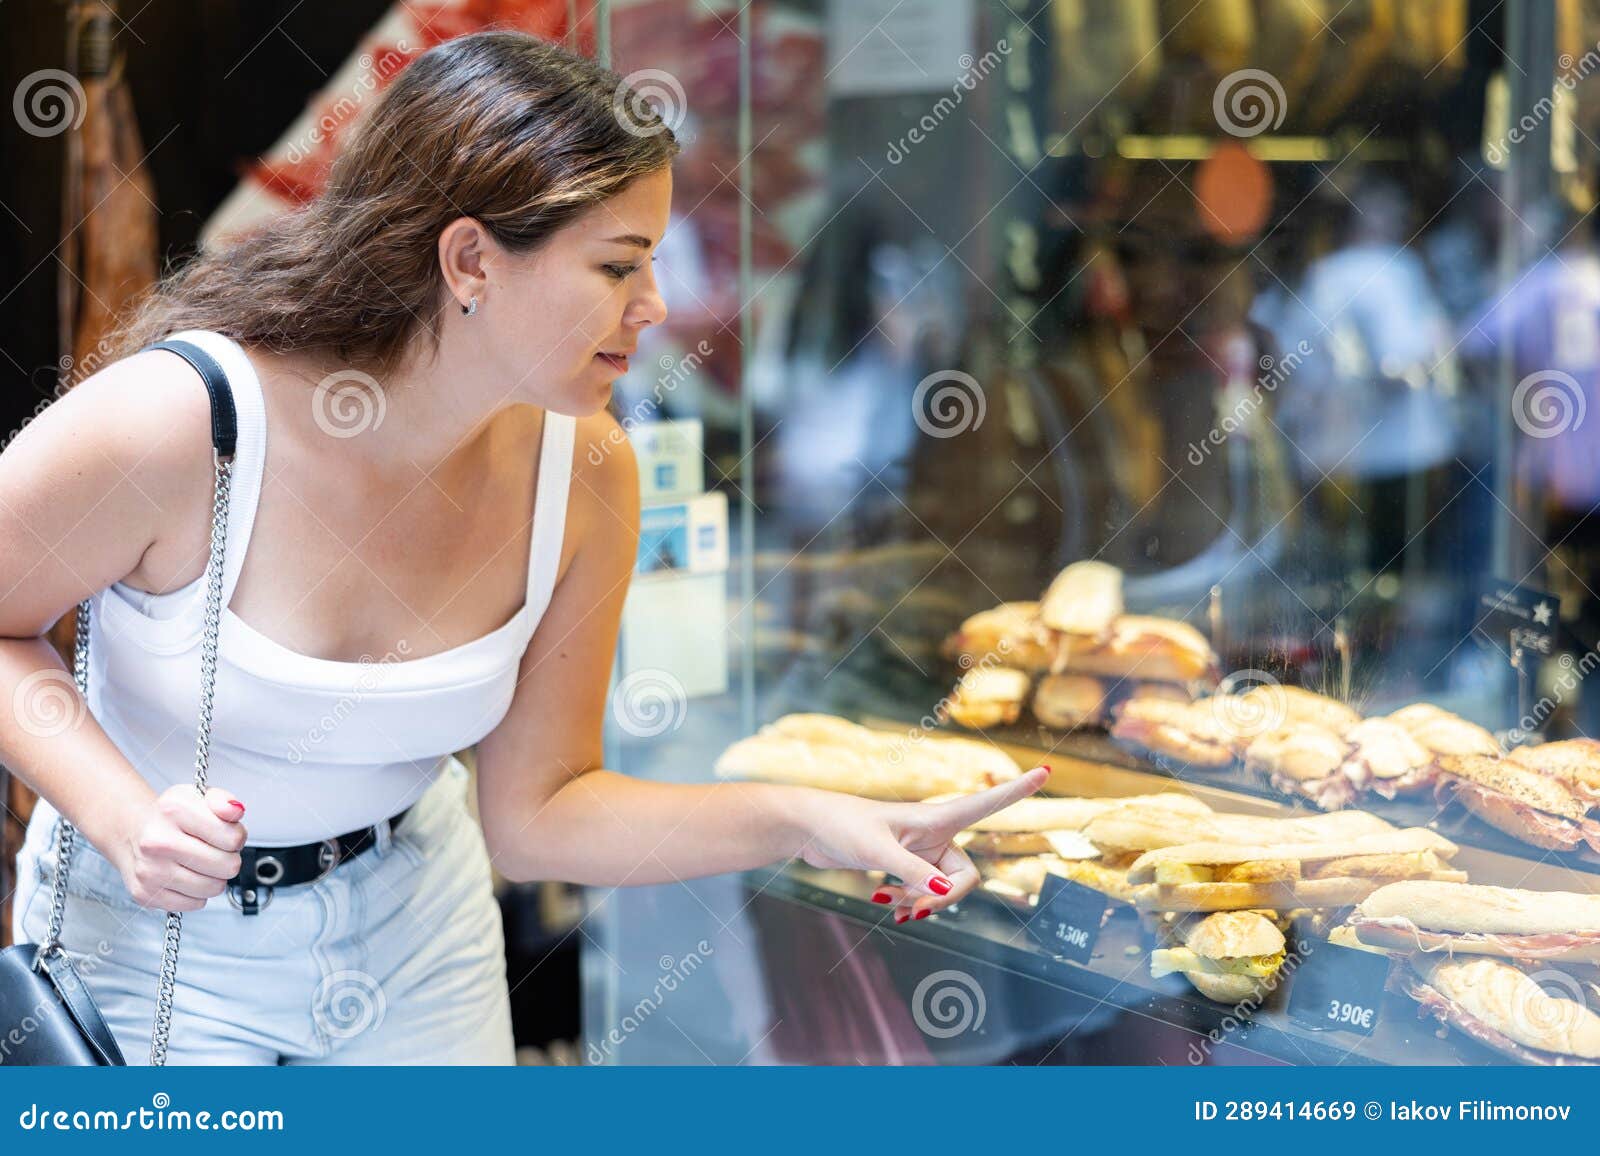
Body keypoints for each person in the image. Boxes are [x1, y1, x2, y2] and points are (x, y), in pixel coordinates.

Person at [0, 31, 1044, 1065]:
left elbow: (541, 813)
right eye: (617, 265)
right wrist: (120, 814)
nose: (657, 306)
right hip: (151, 942)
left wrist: (808, 817)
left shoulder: (587, 469)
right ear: (469, 260)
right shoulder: (185, 421)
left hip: (413, 926)